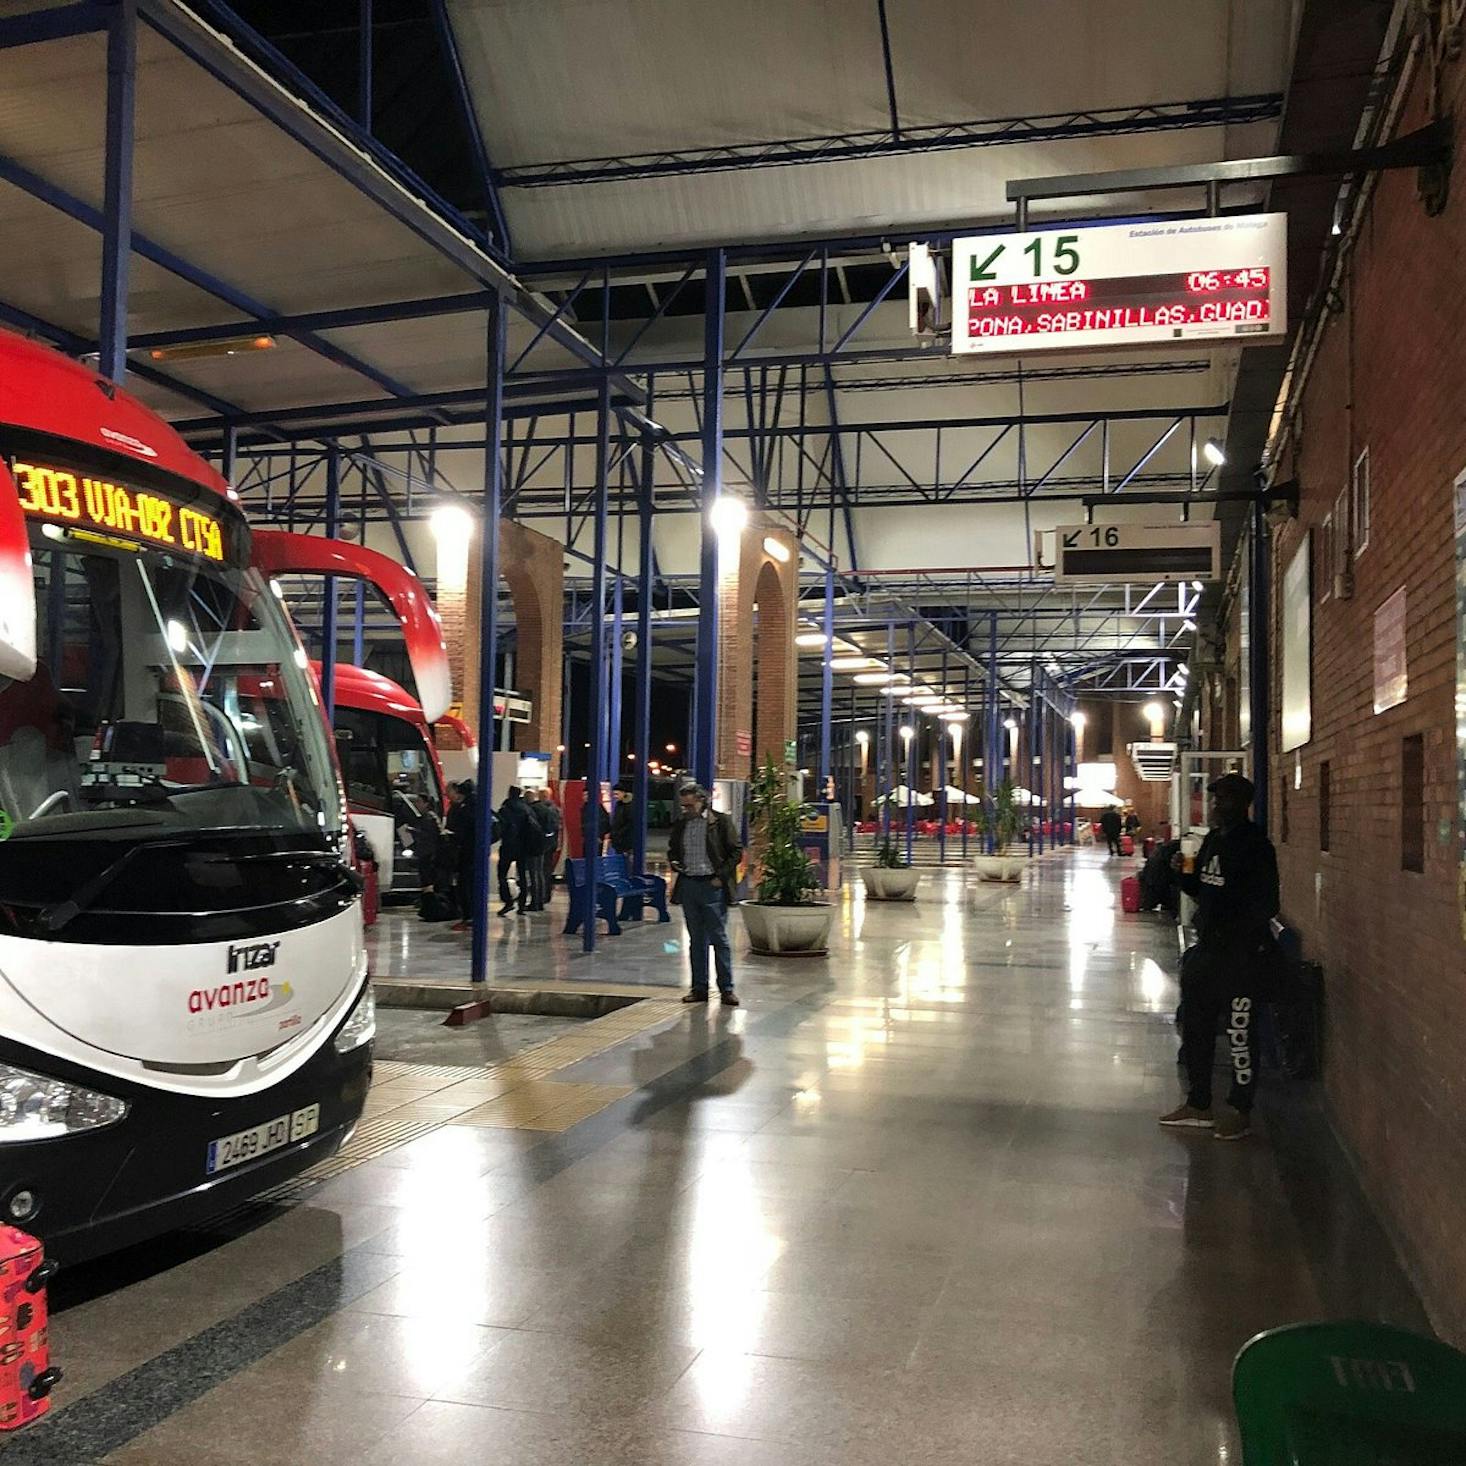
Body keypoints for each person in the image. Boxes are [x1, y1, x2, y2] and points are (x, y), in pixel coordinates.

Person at [1160, 772, 1279, 1142]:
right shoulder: (1213, 840)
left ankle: (1240, 1109)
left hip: (1241, 957)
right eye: (1214, 800)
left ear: (1241, 805)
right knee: (1196, 1028)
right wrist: (1182, 875)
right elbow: (1203, 890)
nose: (1215, 807)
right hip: (1207, 949)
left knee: (1240, 1033)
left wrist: (1238, 932)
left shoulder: (1256, 846)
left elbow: (1268, 904)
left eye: (1223, 800)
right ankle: (1198, 1103)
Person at [668, 783, 742, 1007]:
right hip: (689, 884)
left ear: (702, 801)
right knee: (696, 939)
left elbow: (736, 850)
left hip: (712, 885)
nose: (686, 810)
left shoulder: (719, 822)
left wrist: (721, 876)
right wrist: (674, 862)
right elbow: (673, 849)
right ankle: (699, 987)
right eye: (683, 806)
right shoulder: (682, 825)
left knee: (718, 938)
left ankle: (726, 989)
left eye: (690, 805)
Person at [496, 785, 543, 915]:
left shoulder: (505, 809)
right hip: (523, 847)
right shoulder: (527, 809)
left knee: (502, 875)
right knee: (522, 876)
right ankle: (522, 904)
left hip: (508, 847)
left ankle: (508, 901)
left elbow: (500, 828)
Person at [445, 780, 476, 931]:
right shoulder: (474, 806)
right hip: (471, 852)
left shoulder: (464, 809)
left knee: (465, 885)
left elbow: (460, 832)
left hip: (465, 853)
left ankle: (468, 917)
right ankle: (469, 916)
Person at [529, 787, 563, 904]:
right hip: (551, 843)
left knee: (541, 870)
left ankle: (542, 895)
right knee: (546, 870)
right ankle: (546, 894)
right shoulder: (555, 809)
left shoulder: (540, 809)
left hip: (542, 844)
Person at [609, 782, 635, 857]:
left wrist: (618, 834)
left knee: (626, 863)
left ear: (623, 793)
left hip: (626, 841)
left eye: (617, 794)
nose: (615, 796)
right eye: (614, 794)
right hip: (620, 840)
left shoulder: (629, 806)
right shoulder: (619, 804)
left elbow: (630, 823)